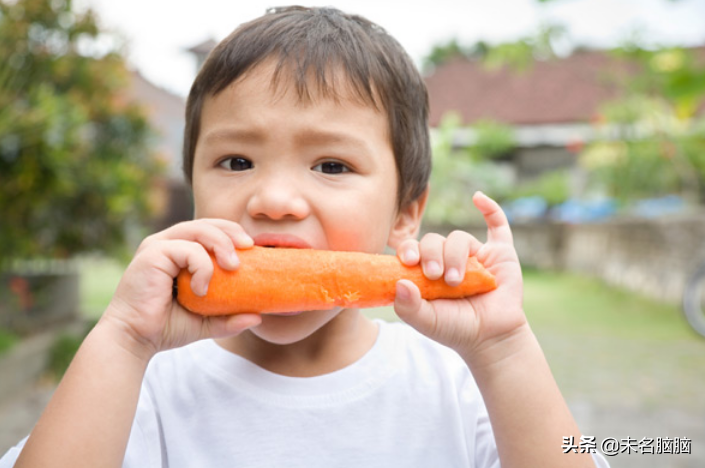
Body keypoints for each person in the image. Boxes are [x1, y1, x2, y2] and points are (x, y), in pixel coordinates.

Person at [1, 6, 608, 467]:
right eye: (236, 162)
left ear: (404, 215)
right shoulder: (144, 385)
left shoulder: (457, 385)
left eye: (332, 166)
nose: (273, 200)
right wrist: (123, 339)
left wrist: (504, 351)